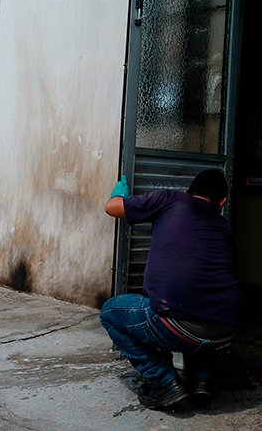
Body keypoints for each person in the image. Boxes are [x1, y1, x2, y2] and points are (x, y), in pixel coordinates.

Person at [99, 169, 241, 409]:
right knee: (203, 300)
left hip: (175, 327)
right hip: (226, 331)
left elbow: (113, 208)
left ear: (187, 192)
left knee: (110, 313)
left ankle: (163, 381)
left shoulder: (170, 198)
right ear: (222, 202)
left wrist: (120, 193)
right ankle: (202, 380)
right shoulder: (225, 228)